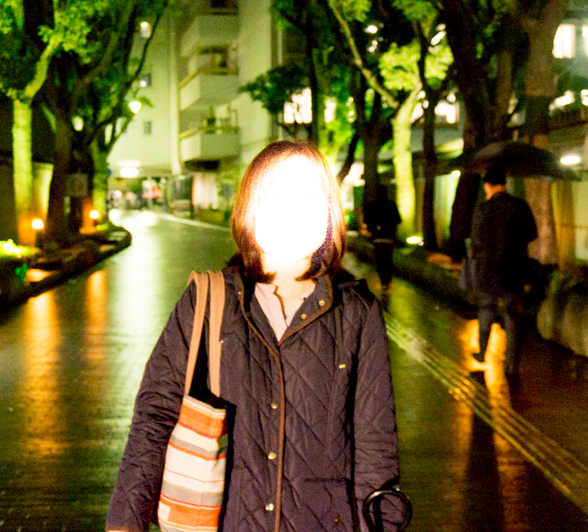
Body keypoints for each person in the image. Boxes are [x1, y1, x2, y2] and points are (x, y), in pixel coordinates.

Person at [106, 141, 400, 531]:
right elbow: (155, 416)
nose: (293, 209)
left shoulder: (357, 312)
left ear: (329, 213)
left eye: (310, 195)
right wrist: (126, 523)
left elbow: (376, 446)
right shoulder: (208, 300)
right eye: (276, 194)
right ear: (250, 208)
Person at [470, 166, 537, 376]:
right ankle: (511, 364)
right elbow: (531, 233)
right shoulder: (520, 206)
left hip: (488, 269)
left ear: (487, 186)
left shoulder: (483, 209)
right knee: (513, 315)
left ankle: (482, 352)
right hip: (513, 269)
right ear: (505, 184)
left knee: (486, 309)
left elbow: (476, 240)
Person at [362, 187, 401, 290]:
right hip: (388, 238)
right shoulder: (391, 205)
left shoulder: (372, 206)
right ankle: (387, 281)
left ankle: (383, 280)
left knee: (380, 260)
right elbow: (397, 220)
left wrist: (371, 231)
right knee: (388, 260)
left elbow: (366, 220)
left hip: (377, 238)